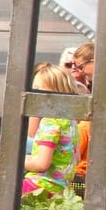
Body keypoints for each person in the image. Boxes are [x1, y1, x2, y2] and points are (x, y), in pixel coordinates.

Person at [22, 63, 81, 195]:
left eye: (38, 90)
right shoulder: (71, 121)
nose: (34, 95)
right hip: (61, 187)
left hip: (41, 185)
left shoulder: (50, 123)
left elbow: (42, 164)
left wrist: (20, 160)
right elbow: (76, 158)